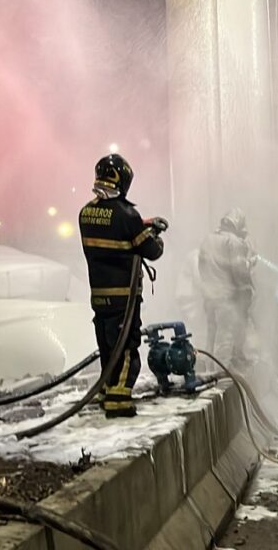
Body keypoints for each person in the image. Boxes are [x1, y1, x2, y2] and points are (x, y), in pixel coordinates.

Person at [79, 153, 166, 418]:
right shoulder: (127, 216)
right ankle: (119, 399)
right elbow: (151, 251)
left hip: (99, 296)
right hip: (124, 297)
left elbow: (115, 228)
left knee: (107, 345)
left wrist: (142, 224)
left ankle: (106, 389)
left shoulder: (86, 213)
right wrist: (154, 234)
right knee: (126, 345)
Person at [198, 208, 257, 373]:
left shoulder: (208, 239)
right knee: (225, 336)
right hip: (225, 297)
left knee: (211, 335)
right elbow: (239, 271)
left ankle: (207, 371)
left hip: (209, 296)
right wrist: (250, 263)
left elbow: (201, 267)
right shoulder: (234, 242)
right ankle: (220, 373)